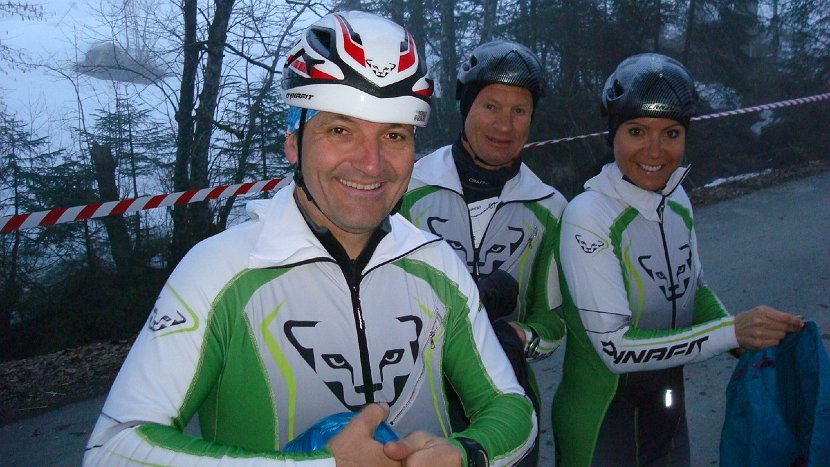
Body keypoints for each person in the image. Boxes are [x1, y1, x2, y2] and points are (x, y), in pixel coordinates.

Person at [84, 11, 536, 466]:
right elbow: (113, 448)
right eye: (340, 130)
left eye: (394, 135)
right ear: (293, 142)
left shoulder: (436, 262)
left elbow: (512, 408)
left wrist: (464, 454)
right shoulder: (220, 270)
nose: (372, 163)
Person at [551, 52, 805, 466]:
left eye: (671, 133)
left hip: (667, 409)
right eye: (637, 131)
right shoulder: (588, 215)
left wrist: (746, 340)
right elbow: (616, 349)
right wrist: (731, 332)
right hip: (601, 423)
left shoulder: (677, 198)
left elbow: (695, 290)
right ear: (612, 134)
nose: (655, 150)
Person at [400, 40, 567, 465]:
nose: (504, 125)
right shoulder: (407, 188)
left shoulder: (549, 208)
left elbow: (553, 325)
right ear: (466, 107)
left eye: (520, 110)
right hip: (413, 410)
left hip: (507, 405)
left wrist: (517, 337)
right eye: (490, 106)